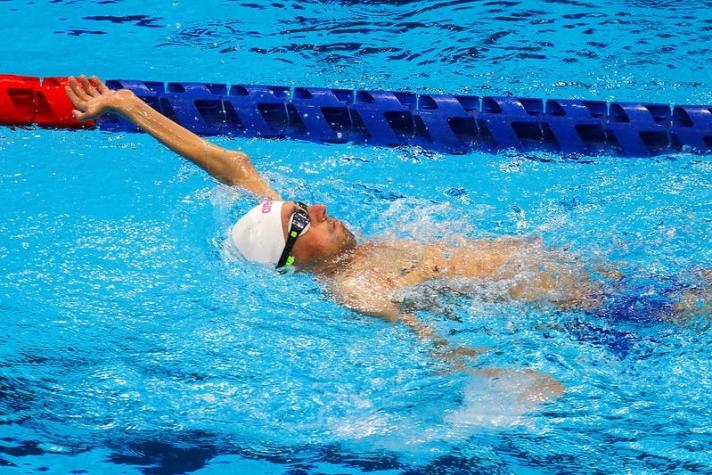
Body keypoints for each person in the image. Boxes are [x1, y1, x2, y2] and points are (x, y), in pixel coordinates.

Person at [64, 76, 710, 400]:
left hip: (612, 276)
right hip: (614, 315)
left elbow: (230, 166)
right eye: (302, 221)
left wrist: (128, 106)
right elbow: (430, 342)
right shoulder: (356, 285)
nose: (318, 208)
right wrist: (499, 379)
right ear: (290, 259)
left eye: (304, 207)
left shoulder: (327, 242)